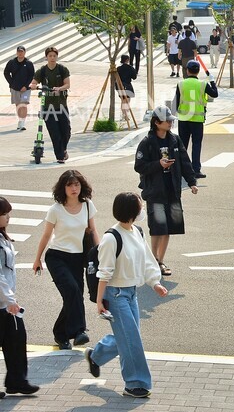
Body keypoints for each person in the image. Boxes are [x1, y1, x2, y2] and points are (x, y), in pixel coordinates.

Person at [87, 192, 168, 399]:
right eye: (140, 206)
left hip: (132, 293)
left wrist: (154, 282)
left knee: (128, 336)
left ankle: (96, 355)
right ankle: (135, 384)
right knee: (131, 339)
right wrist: (99, 302)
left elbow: (148, 260)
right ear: (133, 211)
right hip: (115, 295)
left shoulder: (137, 231)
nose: (142, 209)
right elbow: (103, 273)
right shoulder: (111, 238)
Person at [32, 169, 99, 350]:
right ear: (63, 188)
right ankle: (79, 331)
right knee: (72, 290)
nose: (74, 188)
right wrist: (37, 259)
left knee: (74, 295)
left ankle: (60, 334)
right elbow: (46, 235)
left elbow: (92, 231)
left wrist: (99, 254)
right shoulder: (56, 209)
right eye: (69, 185)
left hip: (78, 258)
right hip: (57, 256)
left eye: (76, 184)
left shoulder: (87, 205)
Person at [134, 106, 198, 277]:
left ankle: (159, 261)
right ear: (156, 123)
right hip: (155, 192)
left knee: (169, 227)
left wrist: (192, 182)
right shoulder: (147, 143)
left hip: (173, 190)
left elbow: (185, 162)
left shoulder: (175, 140)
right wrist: (158, 165)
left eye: (171, 120)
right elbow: (139, 166)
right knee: (157, 228)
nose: (170, 123)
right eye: (167, 120)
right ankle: (153, 260)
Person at [0, 196, 40, 398]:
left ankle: (17, 381)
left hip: (5, 303)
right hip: (3, 303)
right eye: (5, 214)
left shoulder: (2, 237)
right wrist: (10, 300)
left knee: (16, 339)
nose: (8, 217)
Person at [174, 60, 218, 179]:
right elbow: (215, 94)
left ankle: (181, 169)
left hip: (183, 119)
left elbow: (176, 102)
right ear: (198, 71)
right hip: (197, 120)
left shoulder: (181, 84)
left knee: (182, 145)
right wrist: (212, 81)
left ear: (187, 70)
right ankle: (196, 170)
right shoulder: (203, 84)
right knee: (196, 144)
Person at [30, 47, 71, 163]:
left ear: (57, 57)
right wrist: (33, 85)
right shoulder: (42, 71)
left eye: (54, 56)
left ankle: (63, 150)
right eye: (50, 56)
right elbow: (34, 82)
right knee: (55, 133)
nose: (52, 58)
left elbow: (67, 84)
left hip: (61, 105)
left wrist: (60, 88)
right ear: (46, 57)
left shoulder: (62, 69)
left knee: (66, 130)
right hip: (47, 106)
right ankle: (60, 157)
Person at [4, 45, 34, 131]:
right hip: (15, 88)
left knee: (23, 104)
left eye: (22, 51)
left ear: (25, 52)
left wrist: (26, 86)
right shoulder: (11, 62)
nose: (20, 53)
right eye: (19, 51)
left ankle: (22, 122)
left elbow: (31, 75)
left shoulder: (28, 63)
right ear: (17, 52)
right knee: (18, 105)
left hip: (25, 89)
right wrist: (11, 83)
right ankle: (20, 121)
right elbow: (6, 72)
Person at [115, 55, 137, 125]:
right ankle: (125, 114)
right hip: (127, 85)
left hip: (119, 86)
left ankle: (124, 114)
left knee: (123, 100)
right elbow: (134, 77)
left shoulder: (118, 68)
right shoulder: (130, 68)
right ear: (127, 60)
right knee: (127, 100)